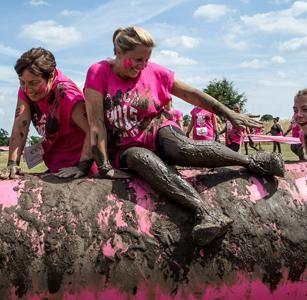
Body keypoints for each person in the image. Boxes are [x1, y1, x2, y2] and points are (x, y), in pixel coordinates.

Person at [83, 26, 284, 246]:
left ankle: (254, 162)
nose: (142, 66)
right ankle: (207, 213)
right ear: (118, 53)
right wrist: (104, 166)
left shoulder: (155, 72)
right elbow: (96, 122)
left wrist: (229, 113)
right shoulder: (98, 72)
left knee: (181, 148)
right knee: (141, 158)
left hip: (158, 129)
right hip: (126, 146)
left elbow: (192, 94)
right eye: (137, 60)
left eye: (147, 60)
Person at [0, 47, 93, 179]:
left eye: (34, 83)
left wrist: (82, 166)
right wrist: (12, 164)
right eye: (22, 82)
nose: (28, 89)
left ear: (51, 76)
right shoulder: (26, 89)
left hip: (79, 169)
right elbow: (21, 124)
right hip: (55, 165)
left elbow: (93, 129)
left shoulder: (66, 94)